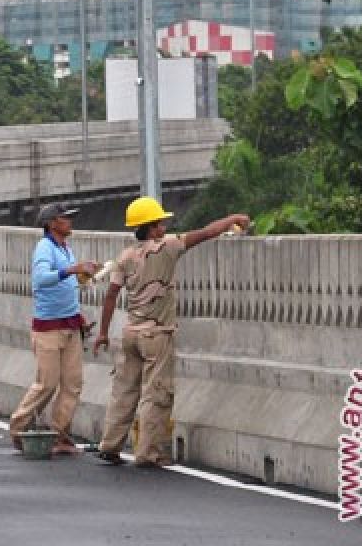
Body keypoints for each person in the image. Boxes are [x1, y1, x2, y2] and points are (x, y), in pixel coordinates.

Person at [92, 196, 249, 467]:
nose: (164, 227)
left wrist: (104, 332)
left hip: (130, 334)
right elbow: (207, 233)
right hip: (156, 335)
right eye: (160, 223)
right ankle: (149, 453)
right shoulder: (168, 247)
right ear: (151, 228)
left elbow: (110, 296)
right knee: (157, 394)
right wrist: (232, 220)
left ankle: (110, 444)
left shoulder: (125, 256)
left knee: (124, 391)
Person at [9, 201, 99, 456]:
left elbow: (67, 288)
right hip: (48, 328)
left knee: (72, 383)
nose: (69, 222)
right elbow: (40, 279)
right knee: (46, 384)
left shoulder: (65, 248)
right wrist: (72, 269)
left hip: (70, 325)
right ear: (51, 224)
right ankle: (18, 428)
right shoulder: (44, 249)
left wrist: (79, 315)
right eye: (64, 218)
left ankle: (60, 435)